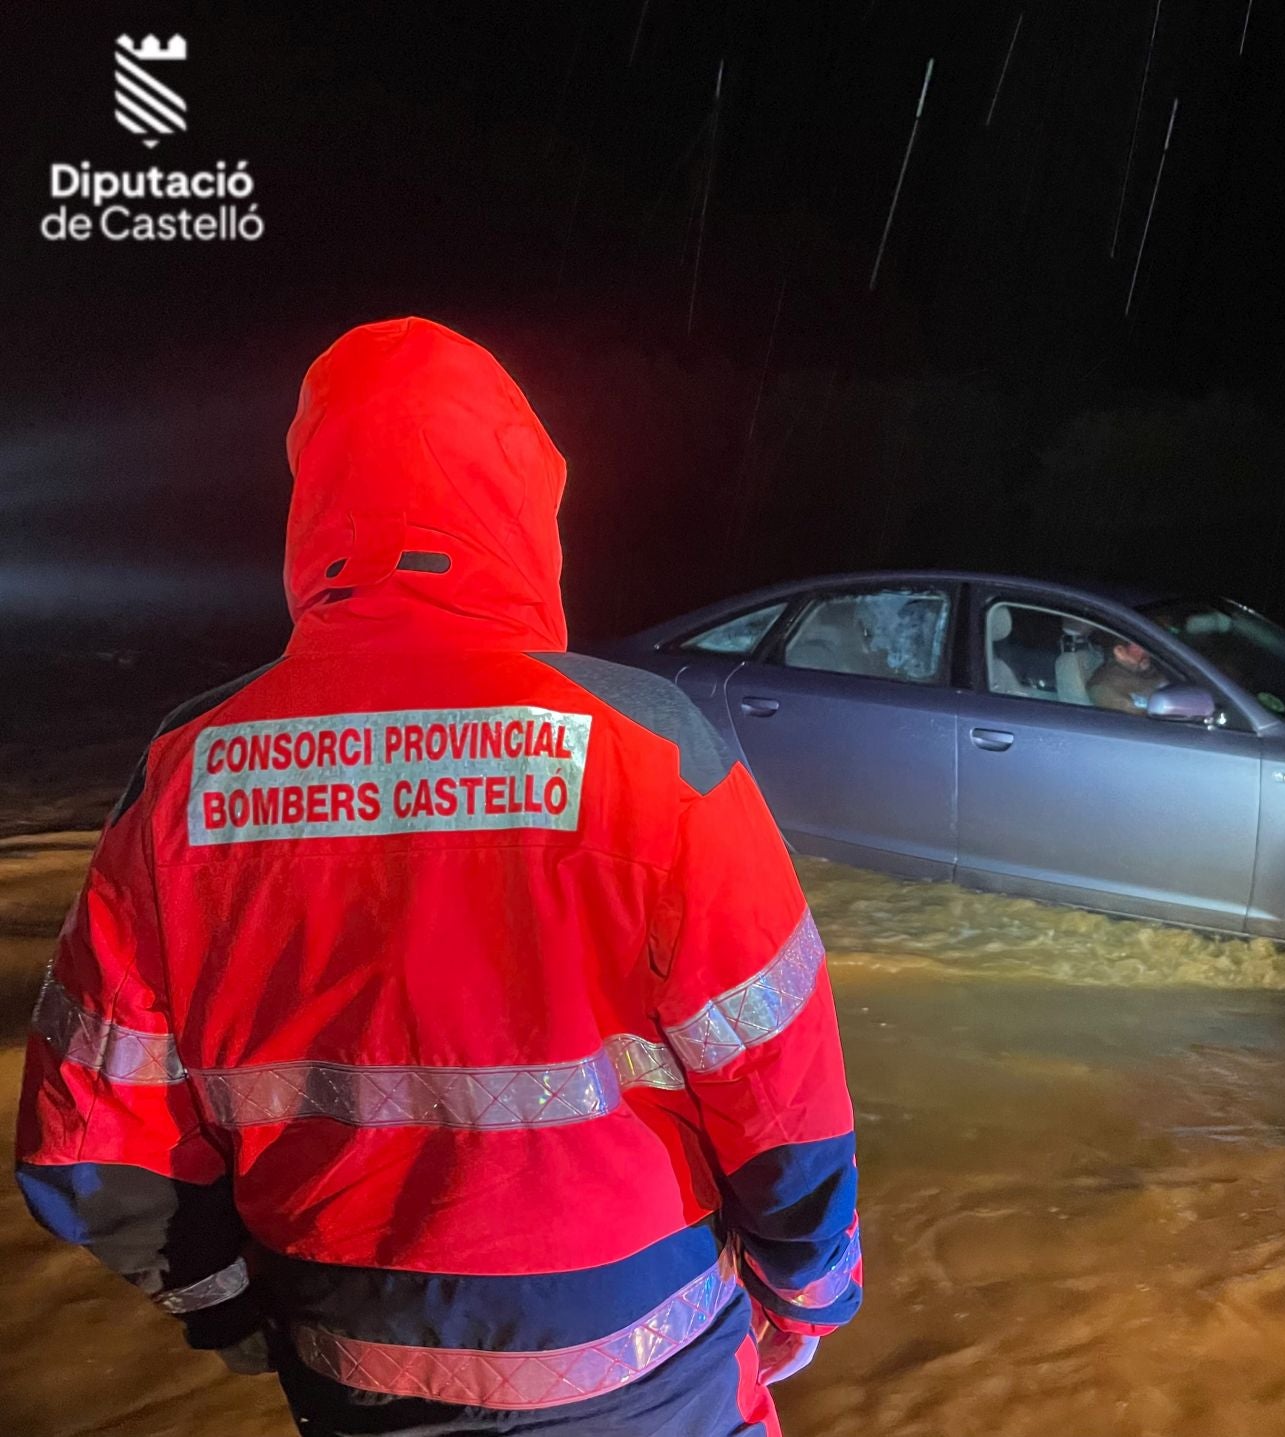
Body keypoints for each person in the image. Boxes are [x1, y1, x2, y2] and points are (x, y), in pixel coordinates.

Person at [14, 318, 861, 1436]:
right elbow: (780, 1086)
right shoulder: (647, 744)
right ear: (519, 509)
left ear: (314, 514)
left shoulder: (184, 772)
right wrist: (808, 1295)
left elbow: (86, 1142)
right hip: (644, 1365)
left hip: (351, 1363)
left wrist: (228, 1308)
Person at [1087, 634, 1168, 714]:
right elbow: (1140, 720)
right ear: (1120, 651)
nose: (1147, 651)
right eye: (1141, 646)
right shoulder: (1103, 687)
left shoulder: (1148, 669)